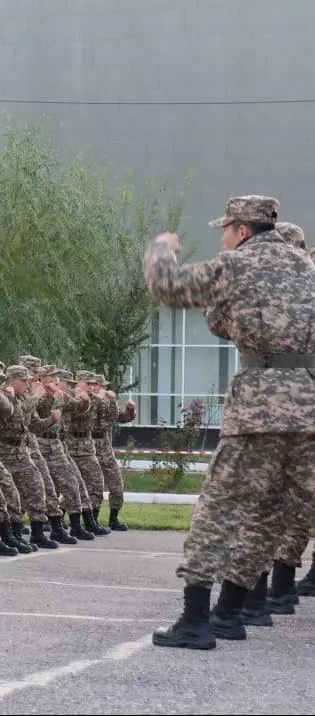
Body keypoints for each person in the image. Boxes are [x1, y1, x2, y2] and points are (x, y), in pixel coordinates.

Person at [146, 195, 315, 650]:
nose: (224, 237)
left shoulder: (236, 265)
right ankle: (230, 612)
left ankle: (196, 619)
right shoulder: (308, 268)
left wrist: (164, 247)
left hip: (259, 406)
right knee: (274, 512)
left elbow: (167, 286)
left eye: (227, 229)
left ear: (242, 230)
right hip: (310, 408)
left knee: (219, 511)